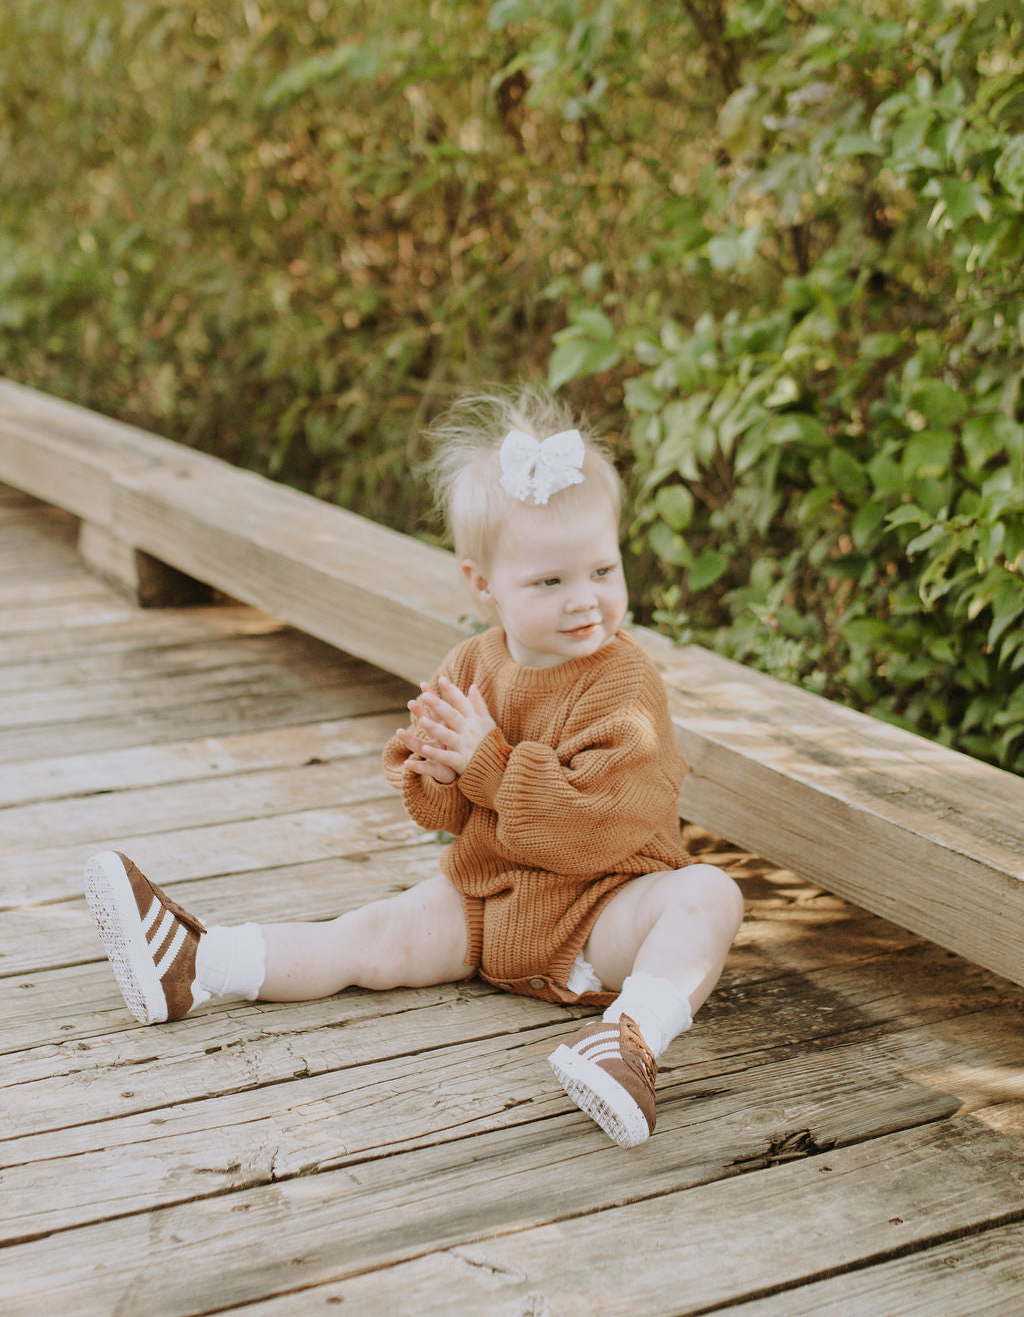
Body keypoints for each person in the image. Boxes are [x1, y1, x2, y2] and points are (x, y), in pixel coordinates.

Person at [84, 388, 743, 1148]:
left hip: (604, 912)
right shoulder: (472, 664)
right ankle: (201, 964)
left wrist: (490, 766)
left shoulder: (625, 686)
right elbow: (438, 814)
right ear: (481, 585)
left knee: (709, 894)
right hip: (489, 905)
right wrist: (438, 768)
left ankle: (626, 1040)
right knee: (370, 935)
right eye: (549, 582)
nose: (583, 601)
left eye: (602, 569)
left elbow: (597, 830)